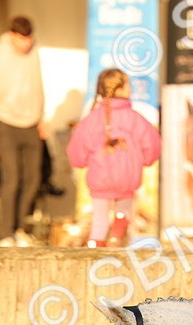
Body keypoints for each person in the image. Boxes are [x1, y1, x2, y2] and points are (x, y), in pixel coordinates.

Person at [66, 68, 161, 248]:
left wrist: (80, 162)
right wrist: (145, 160)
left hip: (100, 179)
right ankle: (116, 238)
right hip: (127, 178)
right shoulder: (135, 119)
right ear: (120, 89)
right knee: (123, 214)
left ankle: (94, 248)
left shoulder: (91, 120)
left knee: (99, 220)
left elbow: (76, 150)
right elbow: (153, 143)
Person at [0, 16, 46, 247]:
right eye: (22, 39)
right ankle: (5, 233)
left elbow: (38, 86)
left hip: (31, 123)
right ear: (13, 36)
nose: (26, 44)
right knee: (12, 178)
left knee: (33, 179)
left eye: (29, 39)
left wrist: (41, 118)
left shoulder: (35, 53)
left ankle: (19, 228)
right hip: (6, 122)